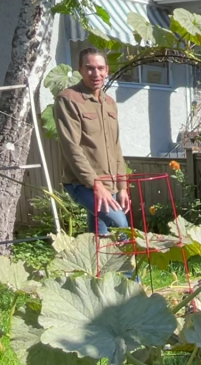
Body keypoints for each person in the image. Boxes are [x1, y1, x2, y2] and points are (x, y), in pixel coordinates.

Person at [54, 47, 131, 236]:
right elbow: (71, 148)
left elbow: (115, 147)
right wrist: (96, 185)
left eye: (100, 68)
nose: (95, 73)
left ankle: (98, 266)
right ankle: (129, 266)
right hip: (82, 183)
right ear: (80, 69)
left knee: (100, 239)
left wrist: (122, 187)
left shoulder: (110, 103)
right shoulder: (69, 99)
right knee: (121, 226)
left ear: (107, 70)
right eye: (89, 68)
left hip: (110, 183)